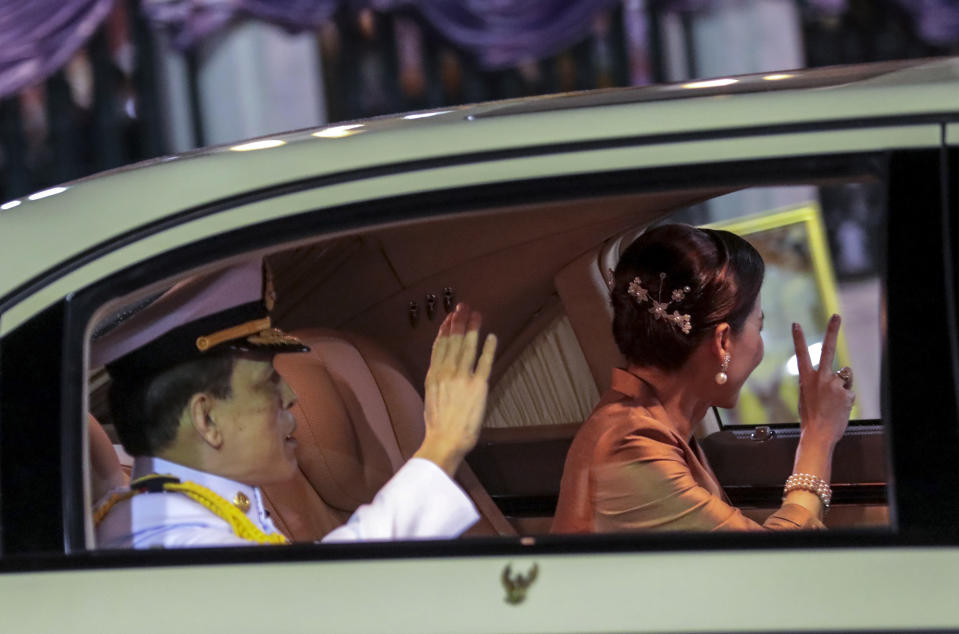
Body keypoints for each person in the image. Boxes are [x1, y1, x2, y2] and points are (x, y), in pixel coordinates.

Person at [93, 260, 496, 547]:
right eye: (269, 381)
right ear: (206, 418)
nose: (291, 395)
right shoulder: (163, 540)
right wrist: (442, 446)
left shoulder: (185, 511)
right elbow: (318, 602)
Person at [552, 224, 855, 533]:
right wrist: (818, 436)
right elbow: (770, 564)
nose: (760, 347)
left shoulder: (648, 425)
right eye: (758, 326)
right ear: (723, 342)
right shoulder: (630, 450)